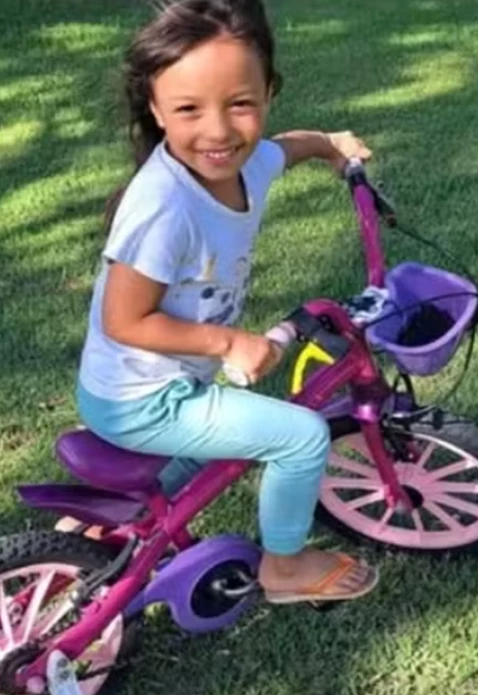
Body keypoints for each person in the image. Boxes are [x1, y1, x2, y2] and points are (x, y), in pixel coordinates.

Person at [74, 0, 378, 604]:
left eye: (240, 104)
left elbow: (284, 149)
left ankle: (103, 528)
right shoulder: (164, 207)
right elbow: (124, 319)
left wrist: (330, 144)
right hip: (141, 401)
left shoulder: (246, 162)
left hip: (156, 384)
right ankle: (285, 568)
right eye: (189, 109)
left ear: (269, 93)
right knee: (300, 436)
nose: (217, 131)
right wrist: (229, 341)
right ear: (156, 108)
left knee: (207, 460)